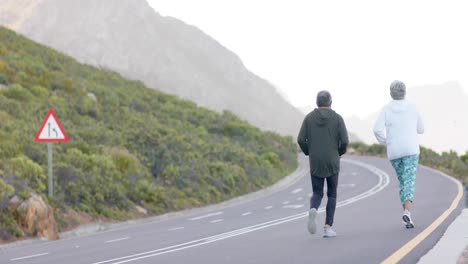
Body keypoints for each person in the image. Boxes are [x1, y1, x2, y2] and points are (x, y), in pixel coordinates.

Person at [373, 80, 424, 229]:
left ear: (391, 93)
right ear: (405, 92)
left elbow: (377, 129)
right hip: (411, 150)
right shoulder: (413, 107)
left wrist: (387, 141)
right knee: (409, 181)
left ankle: (406, 215)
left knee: (403, 181)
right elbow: (421, 129)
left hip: (394, 152)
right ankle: (407, 212)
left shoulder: (386, 109)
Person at [297, 90, 349, 238]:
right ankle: (327, 227)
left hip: (316, 161)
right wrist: (339, 152)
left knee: (317, 193)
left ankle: (313, 207)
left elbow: (300, 139)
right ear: (330, 103)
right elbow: (345, 141)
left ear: (317, 102)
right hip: (332, 160)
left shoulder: (308, 118)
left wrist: (309, 152)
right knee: (332, 194)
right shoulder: (338, 119)